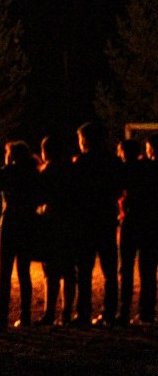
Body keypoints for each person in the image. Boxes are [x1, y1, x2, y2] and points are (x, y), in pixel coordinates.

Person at [71, 122, 122, 327]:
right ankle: (109, 312)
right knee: (110, 271)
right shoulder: (113, 162)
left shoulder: (81, 163)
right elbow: (119, 188)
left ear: (85, 140)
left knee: (84, 270)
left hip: (86, 222)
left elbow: (73, 191)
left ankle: (83, 313)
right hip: (106, 219)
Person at [0, 141, 43, 330]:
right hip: (28, 221)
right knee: (24, 271)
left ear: (11, 155)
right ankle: (25, 315)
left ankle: (2, 316)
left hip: (11, 221)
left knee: (5, 272)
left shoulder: (9, 172)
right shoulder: (34, 173)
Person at [38, 135, 79, 326]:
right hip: (71, 223)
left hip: (52, 223)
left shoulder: (47, 171)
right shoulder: (73, 169)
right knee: (69, 270)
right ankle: (66, 313)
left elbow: (39, 197)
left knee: (51, 271)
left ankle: (49, 313)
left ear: (45, 151)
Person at [117, 139, 157, 325]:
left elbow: (118, 191)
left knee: (126, 268)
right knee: (147, 269)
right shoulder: (149, 168)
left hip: (131, 222)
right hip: (150, 223)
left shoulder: (125, 170)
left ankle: (124, 310)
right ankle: (146, 312)